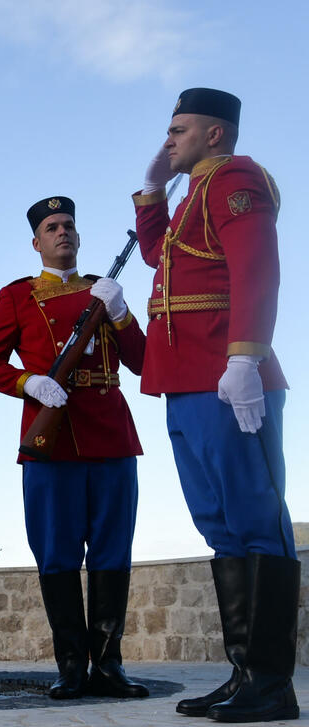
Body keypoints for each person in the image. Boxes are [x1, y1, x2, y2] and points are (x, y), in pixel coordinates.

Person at [133, 88, 297, 723]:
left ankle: (273, 684)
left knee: (257, 518)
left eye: (178, 130)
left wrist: (245, 357)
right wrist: (151, 191)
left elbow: (258, 267)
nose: (168, 140)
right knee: (220, 525)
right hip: (185, 380)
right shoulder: (188, 198)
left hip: (229, 377)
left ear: (215, 135)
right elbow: (159, 256)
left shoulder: (236, 177)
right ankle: (243, 675)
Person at [0, 197, 149, 700]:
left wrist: (121, 314)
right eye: (52, 227)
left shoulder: (105, 292)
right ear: (37, 243)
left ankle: (109, 666)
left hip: (111, 433)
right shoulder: (18, 296)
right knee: (56, 554)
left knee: (113, 553)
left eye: (69, 225)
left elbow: (140, 362)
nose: (63, 232)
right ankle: (72, 667)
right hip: (52, 438)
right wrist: (28, 383)